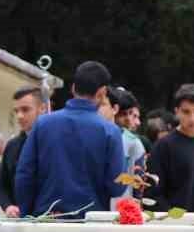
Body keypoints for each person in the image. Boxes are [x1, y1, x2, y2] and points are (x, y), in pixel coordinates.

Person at [14, 60, 127, 220]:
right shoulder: (109, 131)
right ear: (102, 93)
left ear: (73, 87)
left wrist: (28, 215)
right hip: (90, 222)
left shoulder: (43, 124)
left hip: (46, 219)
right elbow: (117, 186)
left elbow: (24, 175)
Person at [148, 84, 194, 213]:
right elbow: (153, 195)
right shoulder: (163, 147)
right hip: (176, 227)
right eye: (186, 112)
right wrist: (172, 220)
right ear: (177, 111)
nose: (192, 118)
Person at [0, 85, 42, 216]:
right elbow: (2, 187)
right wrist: (8, 206)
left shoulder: (54, 142)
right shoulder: (12, 146)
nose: (19, 116)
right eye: (16, 111)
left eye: (25, 109)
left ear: (42, 108)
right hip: (19, 221)